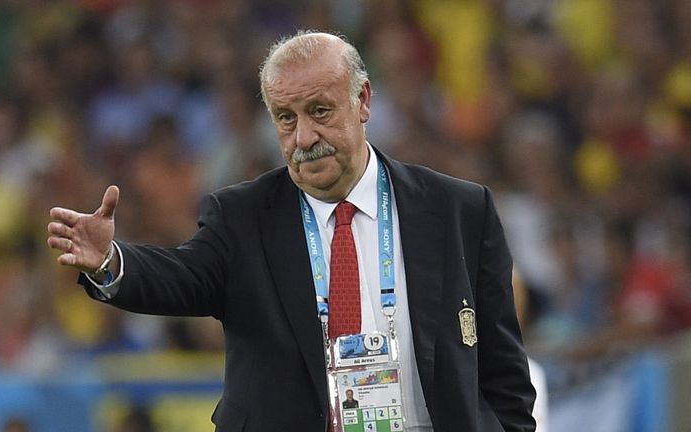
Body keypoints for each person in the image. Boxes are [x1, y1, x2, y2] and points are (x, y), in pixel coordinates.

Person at [48, 31, 535, 431]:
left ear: (362, 100)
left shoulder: (460, 209)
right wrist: (112, 261)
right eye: (286, 119)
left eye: (319, 111)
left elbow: (505, 373)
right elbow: (180, 275)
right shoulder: (242, 216)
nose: (303, 138)